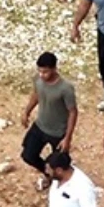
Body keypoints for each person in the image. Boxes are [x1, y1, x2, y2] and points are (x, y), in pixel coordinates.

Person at [20, 52, 78, 191]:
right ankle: (48, 173)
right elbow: (36, 95)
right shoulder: (38, 80)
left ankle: (66, 186)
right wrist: (26, 111)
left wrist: (67, 138)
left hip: (58, 132)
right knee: (28, 155)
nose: (42, 74)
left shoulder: (65, 88)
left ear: (54, 69)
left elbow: (73, 112)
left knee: (61, 164)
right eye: (39, 71)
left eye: (45, 71)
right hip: (40, 126)